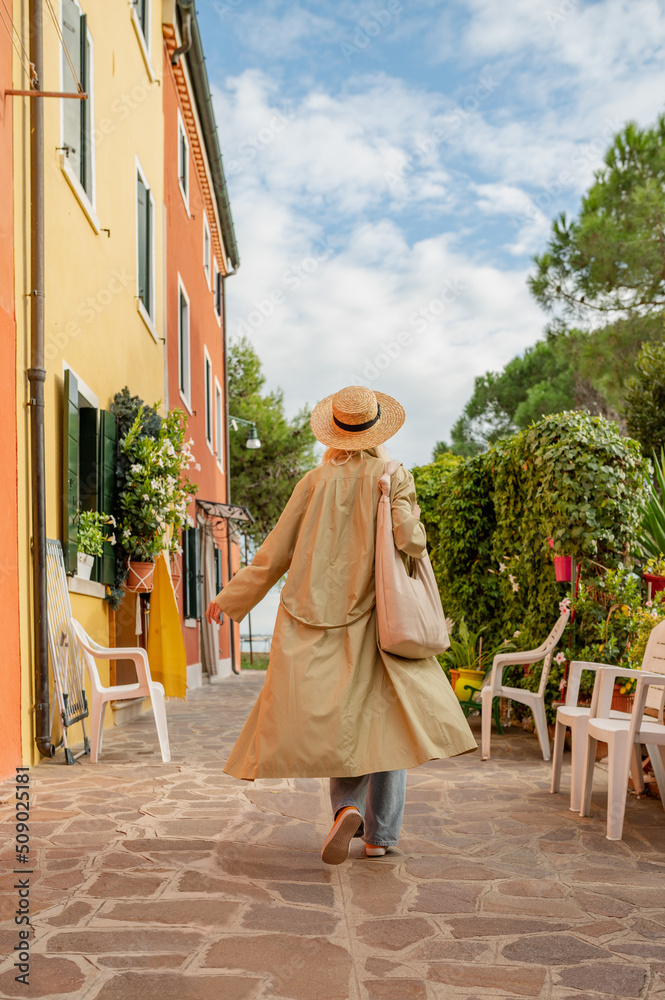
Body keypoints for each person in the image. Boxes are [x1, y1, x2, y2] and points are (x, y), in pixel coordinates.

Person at [206, 385, 477, 864]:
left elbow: (276, 550)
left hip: (314, 617)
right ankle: (379, 836)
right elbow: (411, 544)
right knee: (386, 725)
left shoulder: (312, 481)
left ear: (336, 432)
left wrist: (233, 597)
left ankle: (345, 810)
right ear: (376, 430)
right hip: (378, 618)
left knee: (340, 723)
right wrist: (404, 506)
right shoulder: (392, 475)